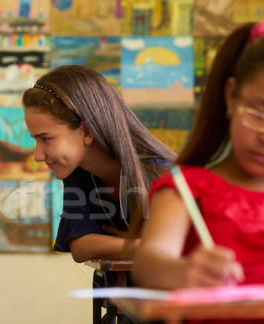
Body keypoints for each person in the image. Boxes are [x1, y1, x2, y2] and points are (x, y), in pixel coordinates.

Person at [132, 21, 264, 324]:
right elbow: (148, 263)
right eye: (258, 113)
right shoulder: (188, 187)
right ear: (231, 97)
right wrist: (184, 272)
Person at [22, 64, 175, 262]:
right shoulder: (76, 172)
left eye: (46, 139)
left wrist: (118, 245)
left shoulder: (165, 174)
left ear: (86, 132)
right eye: (36, 140)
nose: (38, 155)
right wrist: (141, 244)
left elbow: (182, 248)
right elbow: (81, 247)